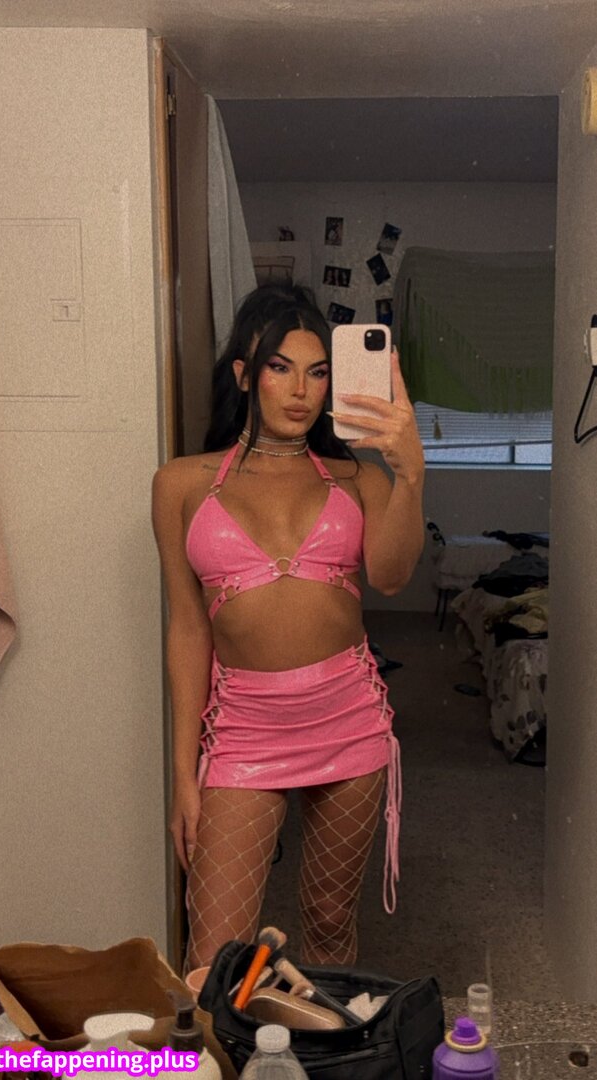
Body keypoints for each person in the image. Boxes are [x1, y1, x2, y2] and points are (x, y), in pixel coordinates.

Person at [152, 283, 425, 972]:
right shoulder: (181, 484)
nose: (301, 391)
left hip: (347, 721)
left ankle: (319, 1041)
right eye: (280, 367)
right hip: (243, 730)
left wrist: (410, 473)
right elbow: (188, 631)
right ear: (244, 375)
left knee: (329, 924)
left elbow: (392, 576)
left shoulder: (356, 478)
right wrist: (183, 774)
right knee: (214, 955)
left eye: (317, 371)